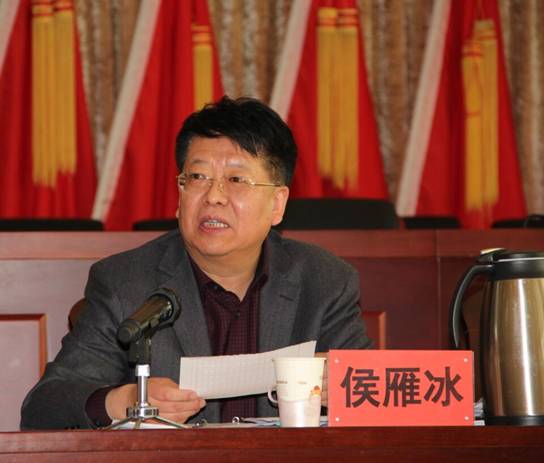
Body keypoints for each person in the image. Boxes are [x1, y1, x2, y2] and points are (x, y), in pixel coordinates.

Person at [20, 96, 371, 430]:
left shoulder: (324, 281)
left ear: (277, 204)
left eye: (236, 180)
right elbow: (43, 407)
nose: (213, 197)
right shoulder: (125, 282)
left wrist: (344, 389)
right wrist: (123, 400)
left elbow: (380, 397)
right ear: (179, 195)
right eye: (198, 178)